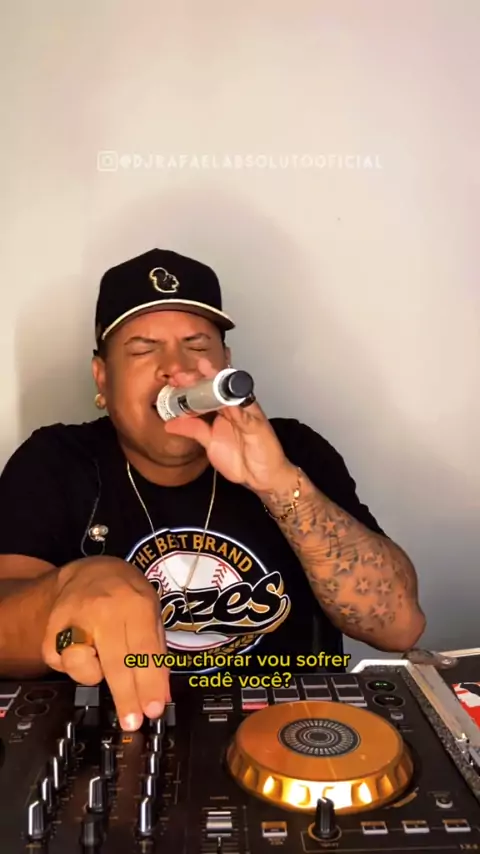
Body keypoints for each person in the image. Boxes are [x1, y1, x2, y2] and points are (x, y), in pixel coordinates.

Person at [0, 248, 426, 730]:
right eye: (143, 349)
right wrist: (71, 586)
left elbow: (400, 628)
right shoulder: (56, 460)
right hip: (118, 735)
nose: (176, 369)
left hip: (292, 737)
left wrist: (277, 484)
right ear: (102, 377)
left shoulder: (295, 451)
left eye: (197, 346)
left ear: (225, 365)